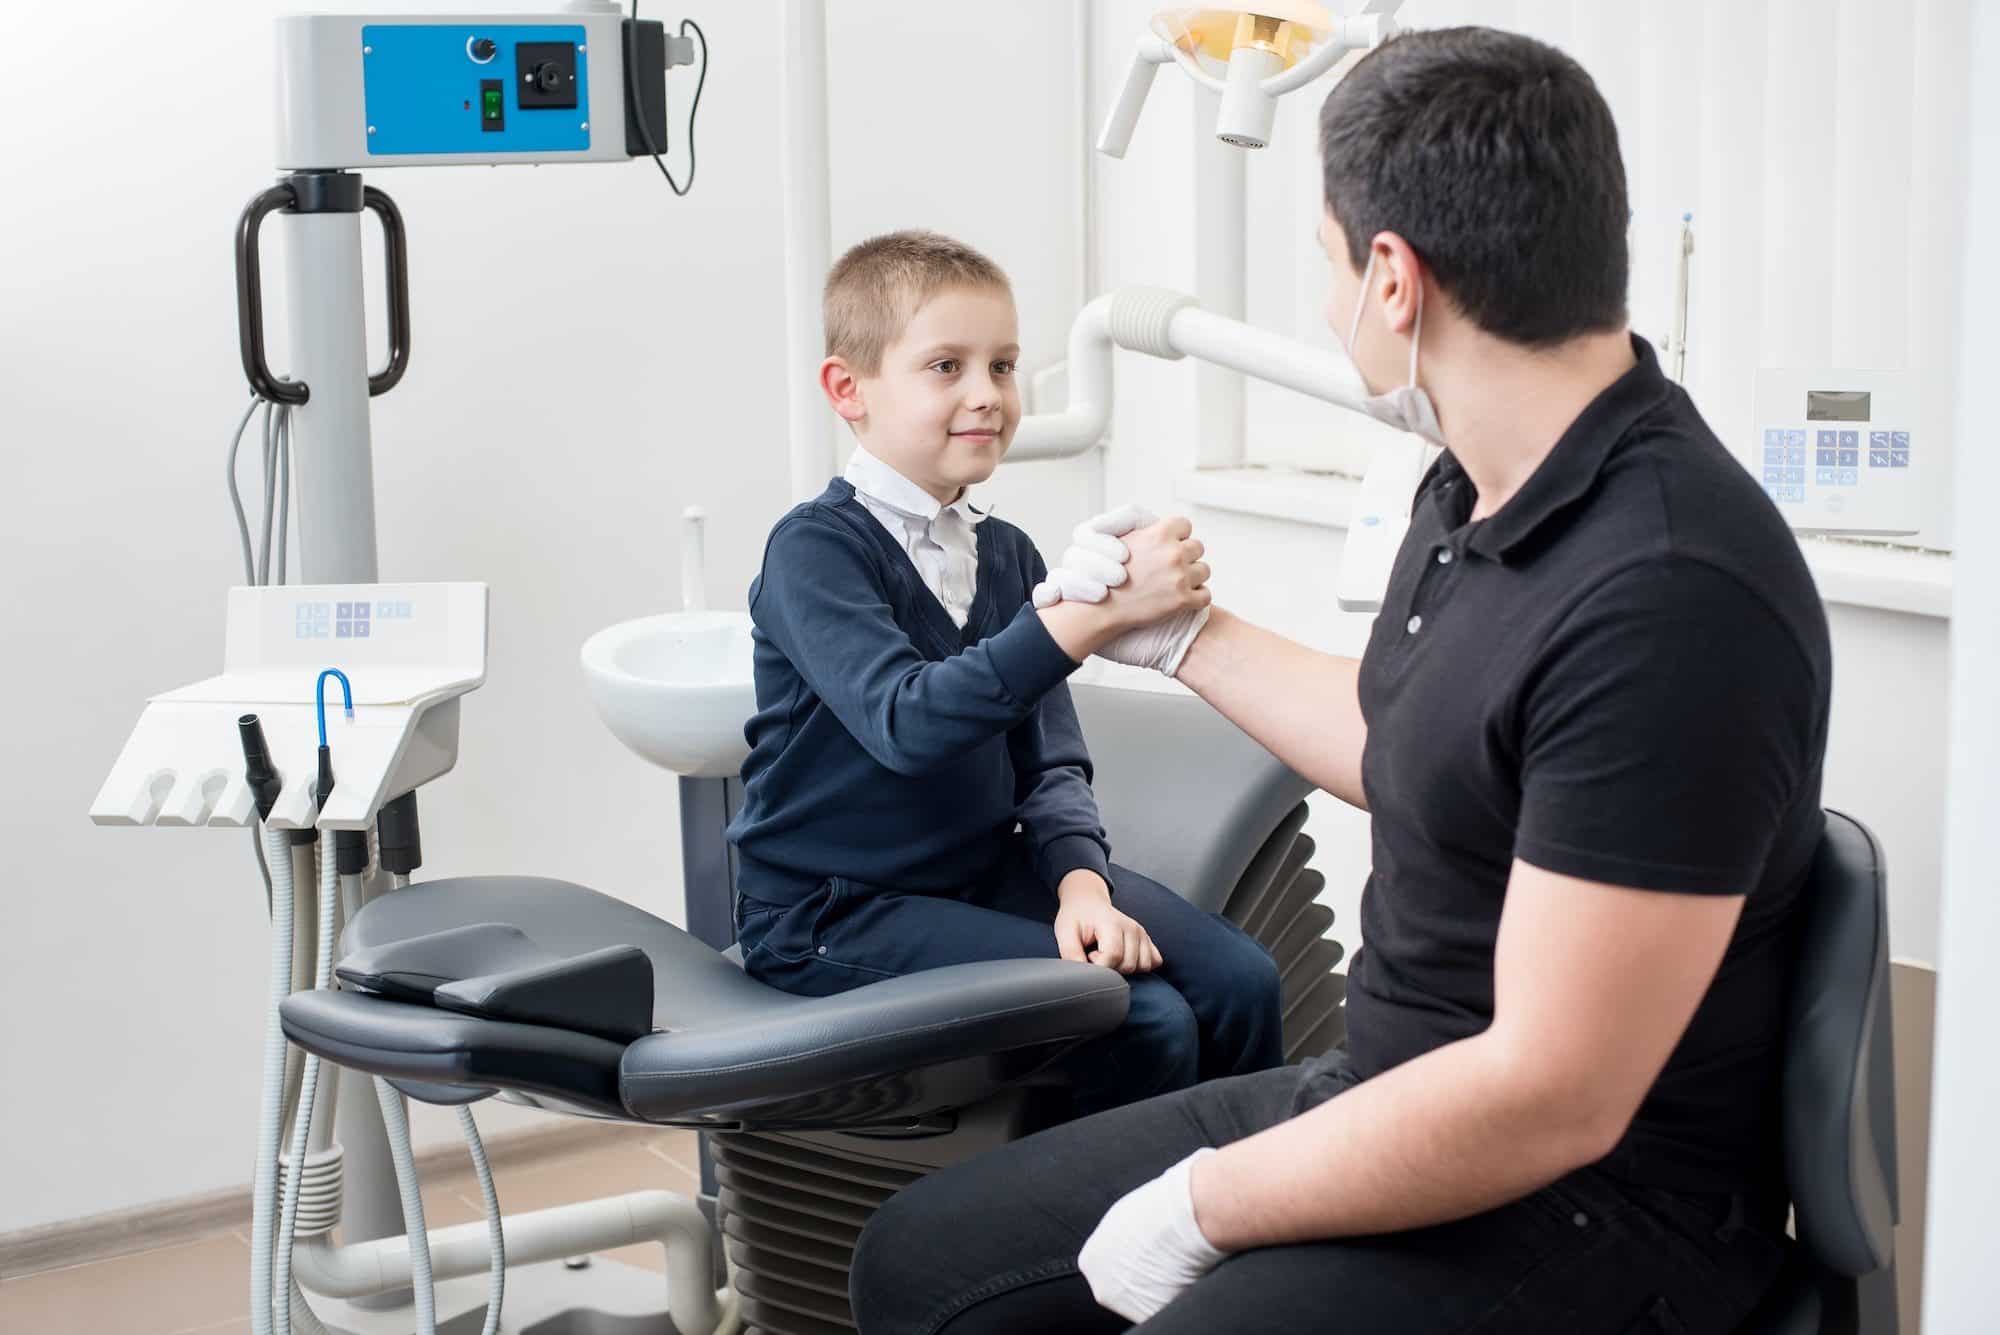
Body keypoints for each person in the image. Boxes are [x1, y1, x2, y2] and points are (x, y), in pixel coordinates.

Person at [851, 28, 1827, 1335]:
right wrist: (1183, 633)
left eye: (1324, 264)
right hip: (1393, 1078)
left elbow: (1555, 1092)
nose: (1324, 308)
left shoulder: (1669, 593)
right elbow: (1406, 742)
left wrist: (1212, 1199)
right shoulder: (1476, 484)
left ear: (1393, 278)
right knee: (924, 1260)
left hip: (1595, 1200)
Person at [724, 229, 1284, 1119]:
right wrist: (1081, 619)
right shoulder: (814, 552)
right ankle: (1082, 1248)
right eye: (946, 366)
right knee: (1143, 1020)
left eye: (1004, 365)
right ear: (848, 389)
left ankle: (1244, 1225)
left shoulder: (1010, 554)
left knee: (1241, 981)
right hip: (832, 915)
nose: (987, 394)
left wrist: (1080, 886)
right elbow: (908, 723)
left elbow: (1050, 764)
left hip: (986, 872)